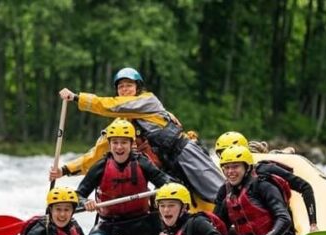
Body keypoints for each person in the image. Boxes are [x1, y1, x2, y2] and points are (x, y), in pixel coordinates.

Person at [51, 67, 224, 203]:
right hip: (165, 169)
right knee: (178, 202)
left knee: (218, 192)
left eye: (129, 86)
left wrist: (76, 98)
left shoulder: (148, 101)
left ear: (138, 88)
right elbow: (97, 154)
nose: (124, 90)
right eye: (121, 87)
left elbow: (110, 106)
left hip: (184, 153)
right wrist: (65, 170)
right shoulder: (120, 126)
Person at [75, 118, 174, 235]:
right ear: (110, 144)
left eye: (124, 142)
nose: (119, 147)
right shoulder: (100, 166)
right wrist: (85, 202)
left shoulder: (142, 163)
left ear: (131, 144)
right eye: (115, 142)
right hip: (111, 225)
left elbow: (166, 183)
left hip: (142, 223)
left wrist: (167, 190)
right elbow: (78, 195)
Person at [214, 145, 295, 235]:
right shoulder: (227, 194)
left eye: (235, 167)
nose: (230, 172)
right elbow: (218, 228)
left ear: (247, 167)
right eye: (226, 168)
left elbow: (284, 218)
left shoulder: (263, 186)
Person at [215, 131, 318, 232]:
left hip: (279, 231)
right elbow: (217, 221)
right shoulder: (226, 188)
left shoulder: (265, 170)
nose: (228, 157)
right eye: (222, 155)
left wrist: (313, 225)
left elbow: (305, 187)